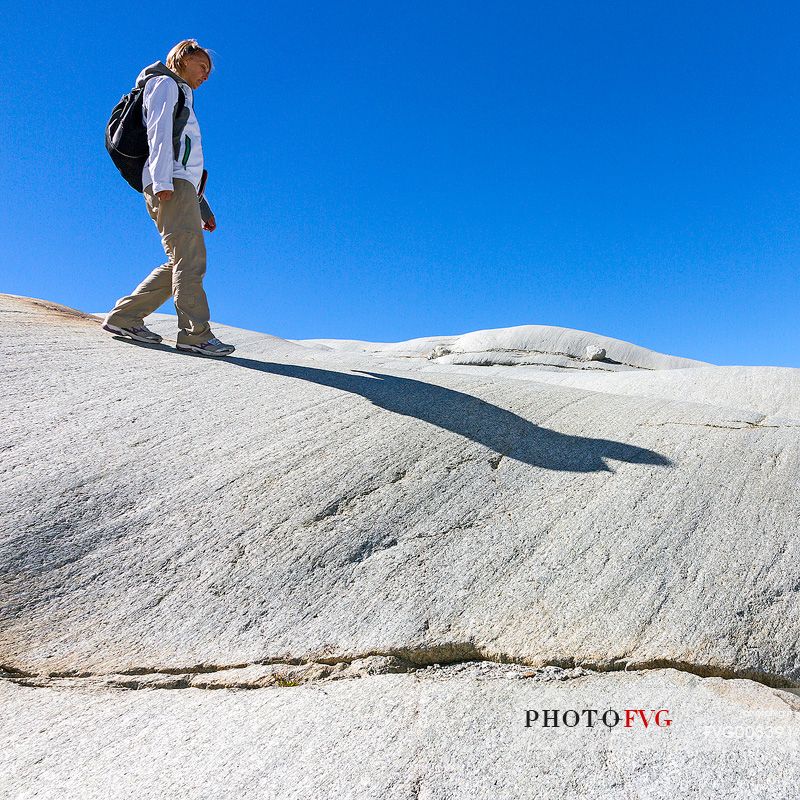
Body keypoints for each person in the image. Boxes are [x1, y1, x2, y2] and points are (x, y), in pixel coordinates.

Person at [103, 40, 235, 357]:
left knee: (180, 261)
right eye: (202, 66)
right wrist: (162, 180)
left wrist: (203, 207)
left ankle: (125, 317)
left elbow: (185, 158)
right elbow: (158, 133)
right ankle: (195, 335)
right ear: (183, 58)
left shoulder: (181, 94)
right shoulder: (164, 83)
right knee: (190, 260)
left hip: (178, 184)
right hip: (169, 182)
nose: (206, 75)